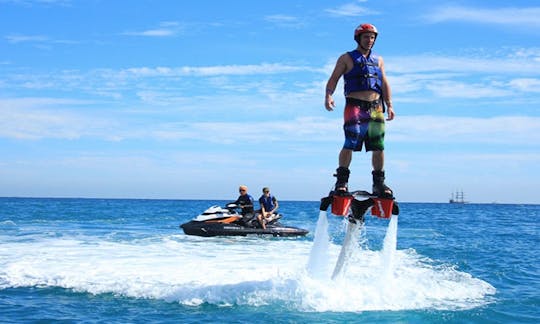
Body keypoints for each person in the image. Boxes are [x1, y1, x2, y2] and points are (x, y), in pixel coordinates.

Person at [324, 23, 395, 197]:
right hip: (354, 105)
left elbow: (384, 82)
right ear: (358, 38)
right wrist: (328, 95)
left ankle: (379, 183)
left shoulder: (379, 60)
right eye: (366, 37)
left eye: (372, 37)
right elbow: (334, 78)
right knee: (350, 141)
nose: (370, 40)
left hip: (376, 107)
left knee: (378, 146)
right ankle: (341, 181)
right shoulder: (346, 58)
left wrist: (390, 104)